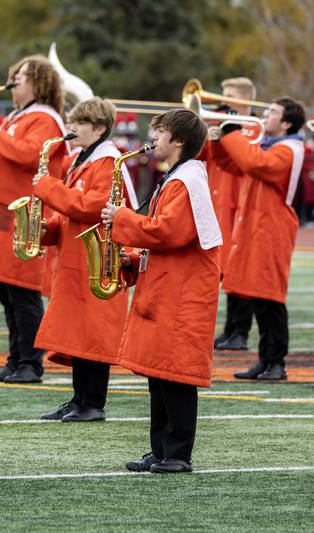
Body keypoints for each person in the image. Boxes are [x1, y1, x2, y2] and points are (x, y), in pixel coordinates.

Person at [102, 109, 221, 474]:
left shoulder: (185, 181)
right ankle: (161, 450)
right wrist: (134, 257)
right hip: (169, 285)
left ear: (179, 141)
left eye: (161, 132)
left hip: (183, 292)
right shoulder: (176, 178)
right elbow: (166, 236)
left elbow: (169, 232)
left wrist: (120, 219)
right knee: (160, 374)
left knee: (176, 376)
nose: (153, 139)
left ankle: (178, 453)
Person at [34, 98, 138, 422]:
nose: (71, 128)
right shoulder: (82, 159)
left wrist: (48, 189)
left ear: (100, 128)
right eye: (72, 122)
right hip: (75, 257)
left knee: (95, 332)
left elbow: (92, 205)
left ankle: (94, 402)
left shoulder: (108, 162)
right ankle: (79, 399)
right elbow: (69, 215)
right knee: (78, 331)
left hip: (99, 259)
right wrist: (42, 229)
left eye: (79, 123)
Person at [0, 55, 69, 384]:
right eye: (14, 75)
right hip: (0, 210)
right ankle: (15, 359)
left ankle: (30, 363)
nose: (14, 82)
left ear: (39, 83)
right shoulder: (19, 116)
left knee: (23, 292)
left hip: (24, 213)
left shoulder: (46, 118)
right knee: (5, 289)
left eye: (22, 77)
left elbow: (32, 155)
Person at [209, 97, 306, 381]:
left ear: (287, 123)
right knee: (257, 293)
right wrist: (219, 140)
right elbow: (231, 164)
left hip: (272, 227)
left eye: (272, 113)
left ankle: (275, 361)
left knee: (270, 297)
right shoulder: (268, 145)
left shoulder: (289, 149)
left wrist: (233, 132)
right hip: (257, 224)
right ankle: (266, 361)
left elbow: (255, 164)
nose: (265, 115)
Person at [207, 77, 257, 351]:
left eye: (228, 96)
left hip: (240, 208)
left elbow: (246, 161)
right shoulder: (221, 126)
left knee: (239, 272)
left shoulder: (253, 130)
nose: (221, 101)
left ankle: (240, 331)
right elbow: (204, 156)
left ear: (244, 99)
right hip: (218, 205)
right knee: (223, 271)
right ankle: (230, 330)